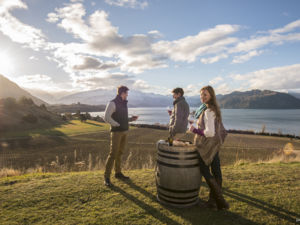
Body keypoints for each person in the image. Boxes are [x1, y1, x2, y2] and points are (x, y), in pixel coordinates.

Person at [189, 85, 229, 210]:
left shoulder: (208, 111)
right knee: (216, 171)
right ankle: (214, 203)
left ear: (211, 95)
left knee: (204, 169)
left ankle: (220, 200)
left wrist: (195, 130)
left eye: (205, 94)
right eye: (201, 94)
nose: (202, 97)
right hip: (215, 144)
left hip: (208, 145)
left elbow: (210, 132)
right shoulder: (212, 109)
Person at [103, 86, 138, 186]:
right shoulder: (112, 103)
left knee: (120, 153)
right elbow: (106, 117)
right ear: (122, 93)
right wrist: (116, 125)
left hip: (124, 132)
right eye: (126, 93)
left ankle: (118, 173)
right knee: (113, 154)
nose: (127, 95)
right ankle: (106, 177)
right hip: (116, 133)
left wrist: (131, 119)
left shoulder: (123, 103)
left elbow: (122, 118)